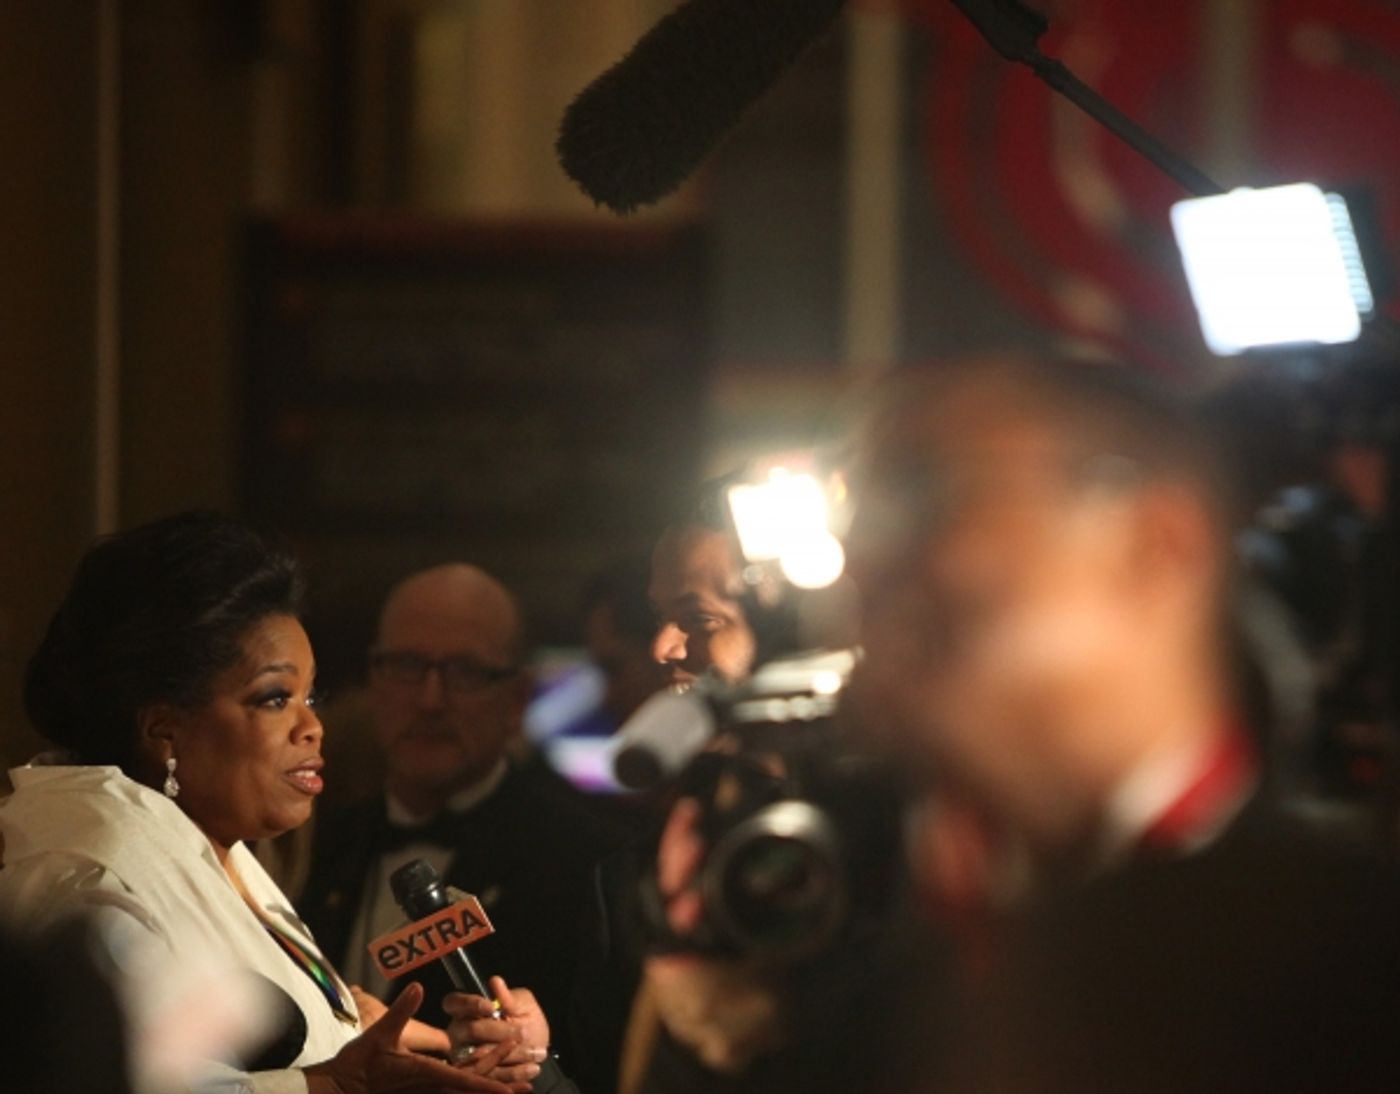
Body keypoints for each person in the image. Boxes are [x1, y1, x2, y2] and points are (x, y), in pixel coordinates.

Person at [633, 357, 1400, 1092]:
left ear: (1155, 542)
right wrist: (719, 1053)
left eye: (924, 498)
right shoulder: (822, 891)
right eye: (859, 517)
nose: (863, 566)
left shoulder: (1346, 955)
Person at [0, 511, 526, 1094]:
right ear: (163, 730)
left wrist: (405, 1046)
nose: (312, 727)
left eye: (312, 694)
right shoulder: (91, 874)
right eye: (275, 698)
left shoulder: (209, 850)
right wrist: (335, 1084)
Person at [296, 564, 624, 1074]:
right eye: (407, 665)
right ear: (374, 680)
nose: (430, 700)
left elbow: (610, 1066)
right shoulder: (313, 842)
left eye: (465, 672)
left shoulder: (589, 861)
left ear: (516, 699)